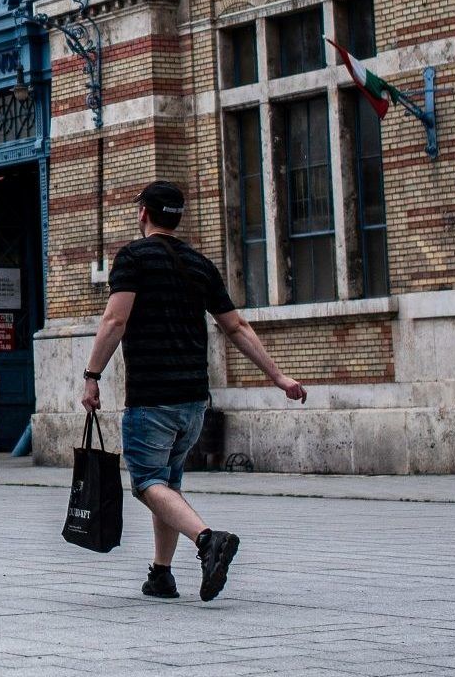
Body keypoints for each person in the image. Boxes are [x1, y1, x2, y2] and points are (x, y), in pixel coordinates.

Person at [82, 180, 307, 603]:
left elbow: (114, 321)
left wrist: (92, 375)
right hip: (193, 401)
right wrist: (279, 377)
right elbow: (236, 327)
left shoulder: (133, 258)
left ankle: (207, 541)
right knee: (168, 483)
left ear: (143, 213)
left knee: (147, 482)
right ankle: (161, 574)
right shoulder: (200, 264)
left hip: (152, 397)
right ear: (177, 216)